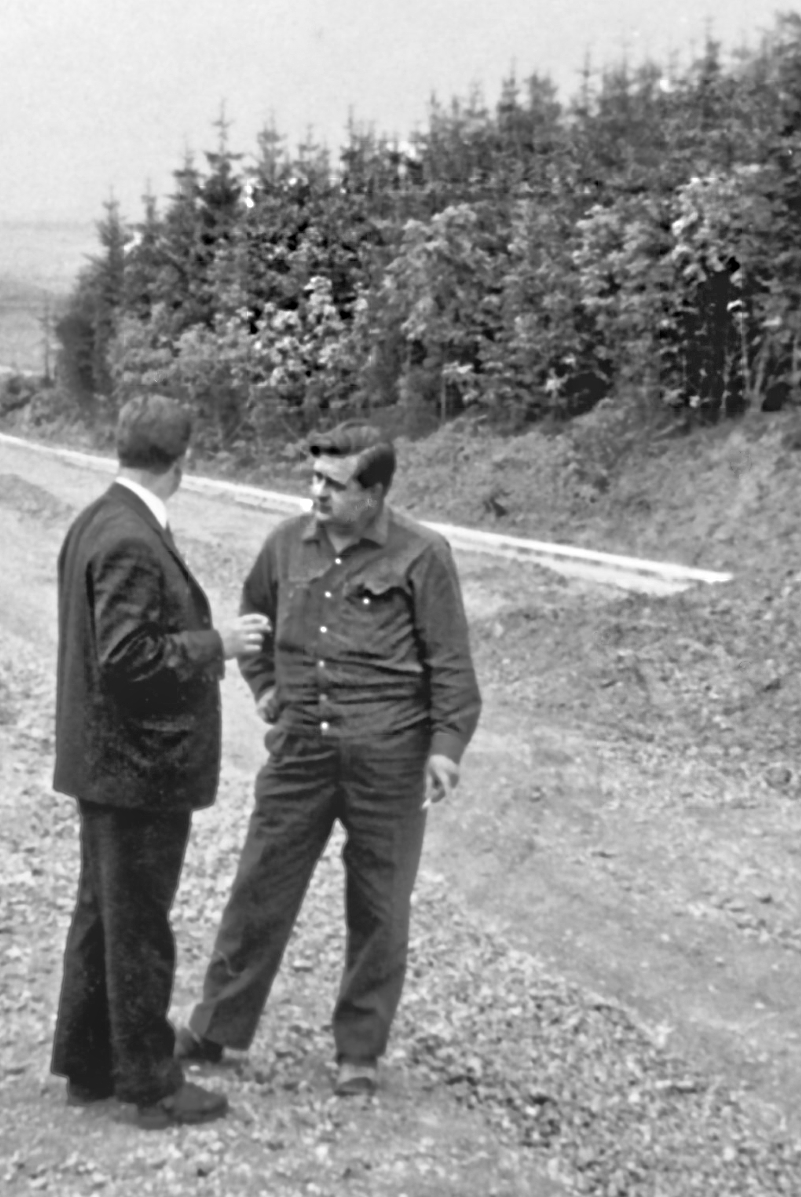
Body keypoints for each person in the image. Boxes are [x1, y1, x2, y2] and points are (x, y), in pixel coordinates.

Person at [176, 421, 481, 1096]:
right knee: (260, 885)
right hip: (299, 755)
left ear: (374, 492)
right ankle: (216, 1024)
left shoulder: (424, 555)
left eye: (334, 484)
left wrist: (446, 750)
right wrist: (262, 690)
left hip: (389, 761)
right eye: (313, 477)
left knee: (379, 905)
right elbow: (252, 617)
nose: (317, 492)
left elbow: (452, 664)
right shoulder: (285, 545)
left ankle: (359, 1051)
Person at [49, 394, 270, 1129]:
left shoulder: (97, 519)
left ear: (120, 448)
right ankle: (148, 1080)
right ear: (184, 461)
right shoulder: (132, 538)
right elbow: (126, 661)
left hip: (105, 764)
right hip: (136, 766)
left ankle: (89, 1060)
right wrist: (219, 644)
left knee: (101, 915)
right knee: (138, 924)